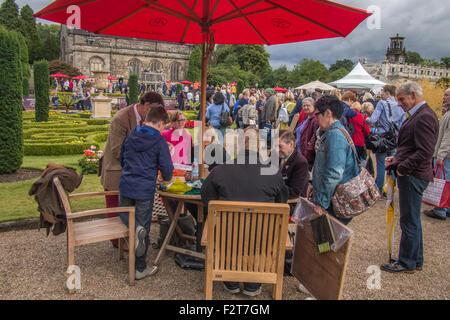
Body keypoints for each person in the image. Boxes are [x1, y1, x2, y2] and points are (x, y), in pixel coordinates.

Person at [201, 127, 289, 297]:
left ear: (239, 147)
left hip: (227, 237)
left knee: (221, 226)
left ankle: (231, 279)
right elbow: (282, 203)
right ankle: (253, 282)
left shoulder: (219, 171)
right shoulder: (273, 172)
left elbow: (206, 199)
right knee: (264, 231)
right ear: (260, 148)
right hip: (263, 238)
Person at [381, 81, 439, 273]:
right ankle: (415, 259)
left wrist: (403, 167)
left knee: (409, 219)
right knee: (411, 218)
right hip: (411, 172)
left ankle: (407, 262)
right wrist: (396, 159)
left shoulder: (424, 117)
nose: (399, 103)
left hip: (413, 175)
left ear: (413, 95)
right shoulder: (420, 115)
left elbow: (425, 151)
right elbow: (411, 147)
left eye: (402, 99)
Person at [100, 92, 164, 248]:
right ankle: (119, 243)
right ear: (146, 105)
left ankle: (134, 240)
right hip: (116, 172)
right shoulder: (121, 119)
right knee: (117, 211)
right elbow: (117, 150)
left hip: (133, 174)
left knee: (134, 210)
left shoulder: (146, 120)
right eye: (153, 111)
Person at [119, 105, 174, 280]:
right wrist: (162, 177)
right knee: (142, 227)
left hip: (126, 184)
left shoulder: (132, 134)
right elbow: (167, 169)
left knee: (128, 221)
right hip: (144, 188)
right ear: (159, 123)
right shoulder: (158, 141)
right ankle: (139, 267)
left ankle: (133, 252)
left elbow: (122, 158)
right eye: (164, 126)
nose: (163, 128)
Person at [308, 95, 360, 225]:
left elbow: (334, 172)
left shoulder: (335, 135)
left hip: (333, 202)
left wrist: (322, 203)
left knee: (327, 241)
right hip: (331, 199)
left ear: (328, 113)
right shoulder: (334, 132)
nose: (316, 118)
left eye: (317, 115)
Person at [367, 85, 406, 195]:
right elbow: (403, 124)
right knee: (393, 164)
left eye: (383, 92)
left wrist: (367, 119)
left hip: (382, 138)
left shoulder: (382, 103)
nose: (382, 94)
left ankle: (379, 188)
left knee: (380, 164)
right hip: (395, 139)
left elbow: (373, 119)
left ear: (387, 92)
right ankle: (390, 190)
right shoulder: (400, 105)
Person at [423, 88, 450, 220]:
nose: (444, 97)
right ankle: (446, 207)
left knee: (443, 181)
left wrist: (441, 155)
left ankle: (440, 209)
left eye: (446, 95)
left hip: (445, 155)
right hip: (445, 154)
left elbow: (448, 137)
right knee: (446, 181)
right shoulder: (448, 113)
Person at [279, 130, 309, 215]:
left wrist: (272, 189)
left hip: (290, 204)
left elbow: (294, 192)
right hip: (279, 197)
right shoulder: (277, 155)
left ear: (291, 144)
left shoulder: (301, 163)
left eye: (280, 146)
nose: (277, 149)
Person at [342, 91, 370, 161]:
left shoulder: (346, 112)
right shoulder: (360, 116)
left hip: (349, 140)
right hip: (359, 141)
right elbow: (367, 131)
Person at [296, 97, 319, 170]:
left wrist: (307, 153)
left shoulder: (314, 120)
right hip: (300, 151)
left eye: (308, 105)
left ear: (313, 106)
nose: (305, 107)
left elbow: (314, 138)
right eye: (304, 106)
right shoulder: (307, 117)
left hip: (306, 156)